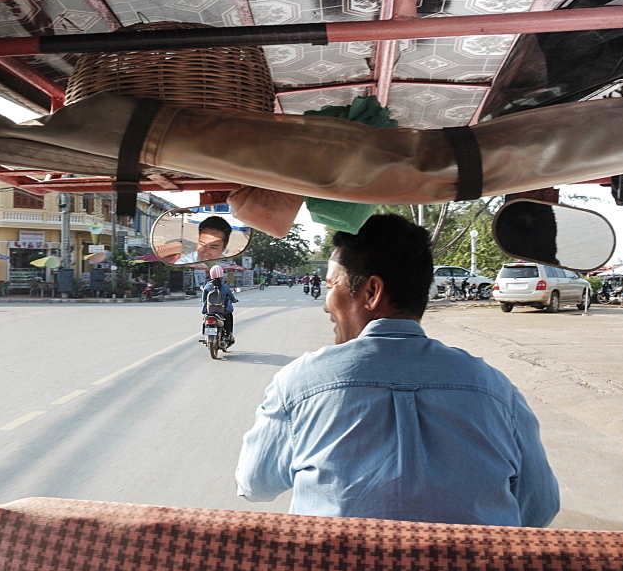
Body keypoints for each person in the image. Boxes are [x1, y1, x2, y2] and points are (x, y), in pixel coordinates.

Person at [235, 214, 559, 527]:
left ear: (372, 292)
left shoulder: (301, 381)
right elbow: (538, 506)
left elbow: (255, 483)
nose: (324, 303)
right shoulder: (494, 388)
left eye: (331, 285)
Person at [203, 264, 238, 345]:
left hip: (210, 312)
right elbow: (232, 298)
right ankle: (230, 334)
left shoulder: (207, 287)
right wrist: (234, 300)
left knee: (205, 320)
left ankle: (206, 334)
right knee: (229, 318)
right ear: (222, 275)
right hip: (223, 312)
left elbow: (204, 300)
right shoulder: (225, 287)